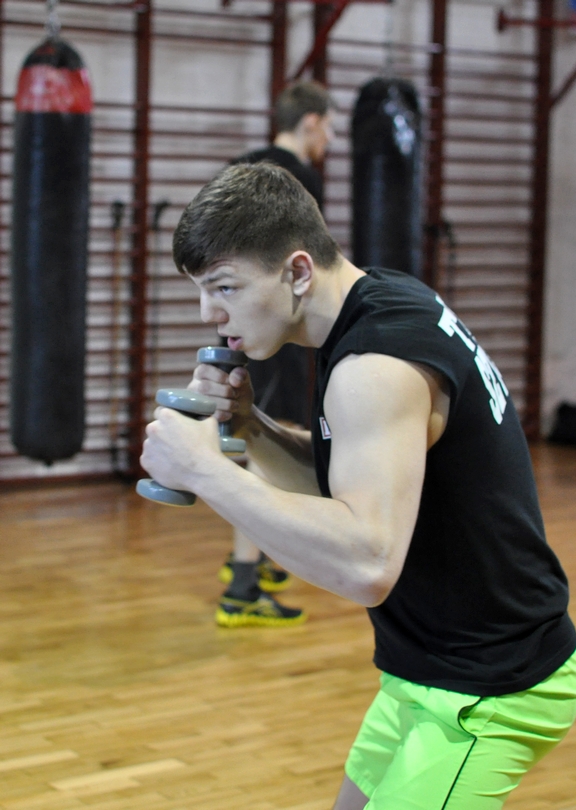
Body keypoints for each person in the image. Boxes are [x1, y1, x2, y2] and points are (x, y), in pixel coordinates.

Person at [141, 162, 576, 810]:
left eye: (225, 287)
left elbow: (368, 563)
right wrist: (252, 428)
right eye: (202, 291)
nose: (210, 313)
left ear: (297, 271)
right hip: (423, 670)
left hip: (490, 686)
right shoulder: (379, 300)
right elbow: (341, 488)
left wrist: (204, 471)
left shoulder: (374, 367)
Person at [216, 80, 334, 628]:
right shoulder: (299, 178)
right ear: (310, 122)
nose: (329, 139)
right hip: (276, 329)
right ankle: (242, 583)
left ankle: (250, 560)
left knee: (252, 435)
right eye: (329, 127)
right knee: (268, 442)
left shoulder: (243, 168)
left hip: (238, 325)